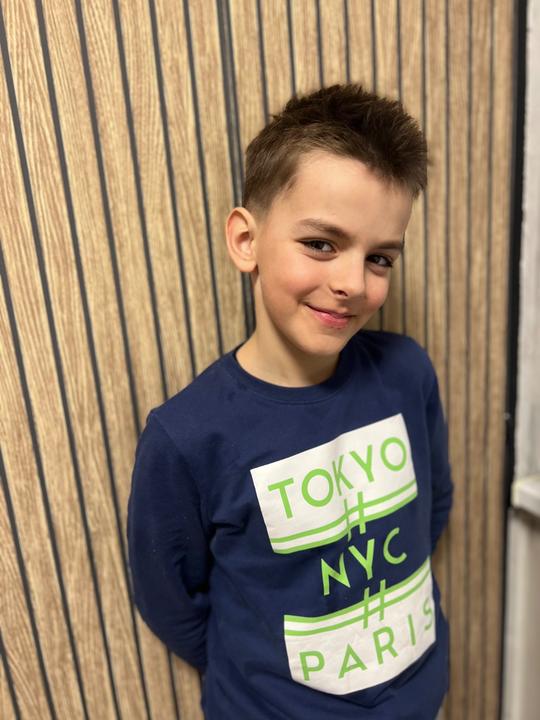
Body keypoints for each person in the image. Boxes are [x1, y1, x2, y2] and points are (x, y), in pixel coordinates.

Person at [127, 83, 453, 719]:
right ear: (246, 241)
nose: (352, 283)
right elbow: (170, 596)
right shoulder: (188, 436)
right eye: (322, 244)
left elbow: (432, 502)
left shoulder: (407, 373)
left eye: (380, 258)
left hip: (420, 699)